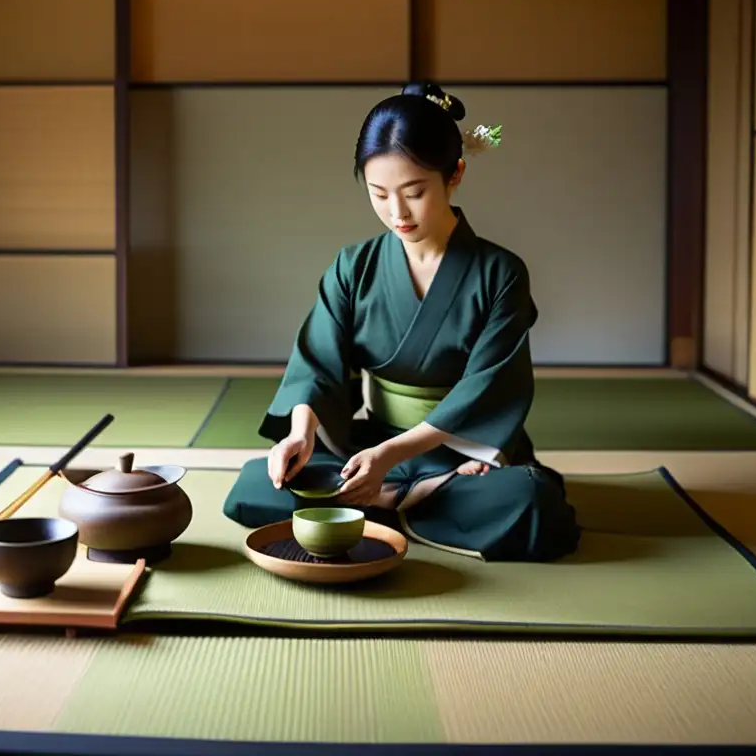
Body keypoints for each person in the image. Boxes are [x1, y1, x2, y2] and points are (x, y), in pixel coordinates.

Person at [221, 82, 581, 562]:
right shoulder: (354, 265)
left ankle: (383, 502)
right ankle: (399, 499)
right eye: (379, 193)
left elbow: (490, 389)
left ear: (455, 174)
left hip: (461, 453)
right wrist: (300, 434)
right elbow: (318, 363)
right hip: (372, 444)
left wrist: (392, 459)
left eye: (414, 193)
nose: (397, 213)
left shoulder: (500, 274)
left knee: (531, 505)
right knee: (254, 486)